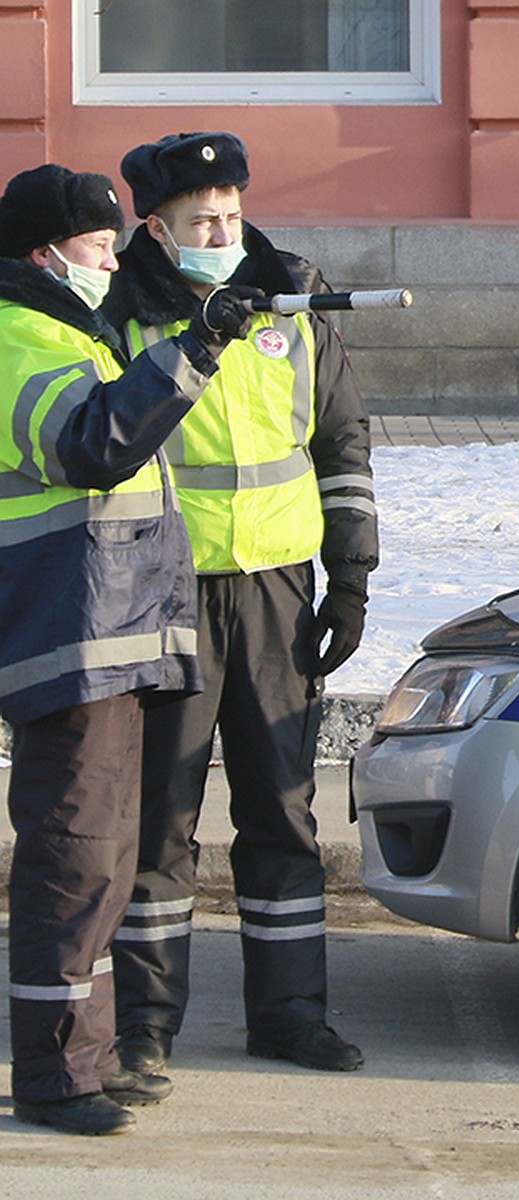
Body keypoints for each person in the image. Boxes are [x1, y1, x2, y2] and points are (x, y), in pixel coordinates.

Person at [104, 132, 378, 1074]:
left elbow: (341, 444)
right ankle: (145, 1026)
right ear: (156, 225)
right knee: (159, 817)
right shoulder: (124, 304)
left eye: (230, 213)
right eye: (199, 221)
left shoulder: (289, 293)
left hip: (275, 593)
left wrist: (351, 579)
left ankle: (292, 1016)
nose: (222, 232)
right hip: (159, 593)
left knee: (284, 810)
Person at [0, 164, 255, 1135]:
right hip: (65, 639)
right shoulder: (18, 336)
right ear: (45, 254)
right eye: (100, 246)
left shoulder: (66, 329)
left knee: (100, 861)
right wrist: (194, 349)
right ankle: (57, 1076)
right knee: (72, 859)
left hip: (107, 634)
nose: (114, 261)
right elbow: (92, 446)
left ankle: (85, 1060)